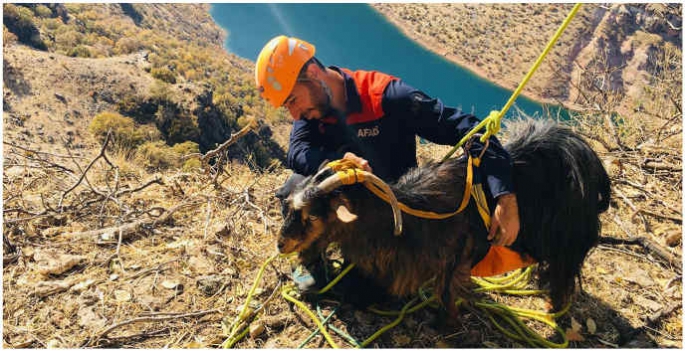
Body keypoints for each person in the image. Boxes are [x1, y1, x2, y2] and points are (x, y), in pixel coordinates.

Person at [254, 35, 520, 293]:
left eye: (292, 100)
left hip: (392, 210)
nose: (294, 114)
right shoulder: (311, 111)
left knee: (370, 293)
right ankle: (314, 262)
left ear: (313, 74)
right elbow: (297, 151)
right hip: (347, 207)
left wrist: (504, 196)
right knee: (295, 188)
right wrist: (335, 164)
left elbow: (468, 129)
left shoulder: (387, 97)